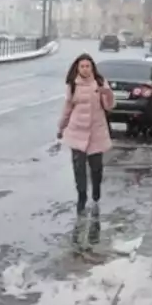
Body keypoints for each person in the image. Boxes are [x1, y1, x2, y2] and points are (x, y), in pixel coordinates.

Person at [57, 53, 114, 215]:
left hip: (96, 132)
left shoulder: (100, 83)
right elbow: (67, 109)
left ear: (92, 68)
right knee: (78, 168)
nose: (85, 69)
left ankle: (96, 190)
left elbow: (109, 106)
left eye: (88, 66)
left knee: (96, 168)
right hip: (77, 132)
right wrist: (61, 127)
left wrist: (107, 94)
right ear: (78, 68)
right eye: (82, 66)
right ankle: (81, 195)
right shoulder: (73, 86)